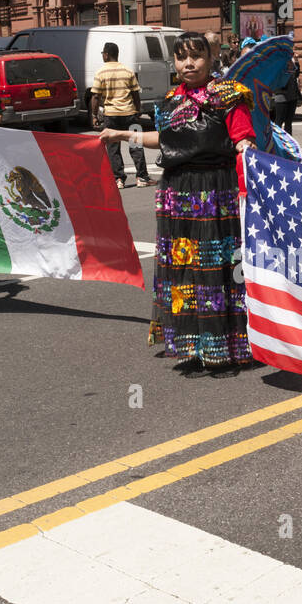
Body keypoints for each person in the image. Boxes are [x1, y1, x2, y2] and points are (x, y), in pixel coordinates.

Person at [98, 31, 256, 375]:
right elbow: (164, 140)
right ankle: (192, 344)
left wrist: (246, 149)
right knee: (184, 267)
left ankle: (225, 345)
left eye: (197, 56)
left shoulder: (229, 95)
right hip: (177, 193)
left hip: (215, 193)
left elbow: (242, 136)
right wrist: (121, 134)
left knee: (216, 269)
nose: (189, 63)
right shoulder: (169, 100)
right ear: (174, 61)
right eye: (182, 57)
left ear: (211, 58)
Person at [90, 41, 153, 189]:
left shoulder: (100, 72)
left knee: (113, 148)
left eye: (103, 54)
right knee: (136, 144)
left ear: (106, 55)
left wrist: (94, 115)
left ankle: (119, 179)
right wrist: (138, 111)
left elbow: (95, 97)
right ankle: (142, 178)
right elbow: (135, 94)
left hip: (110, 115)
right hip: (130, 112)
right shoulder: (127, 71)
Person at [271, 51, 302, 136]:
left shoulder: (290, 62)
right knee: (279, 122)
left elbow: (296, 74)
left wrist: (296, 61)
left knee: (289, 122)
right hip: (282, 97)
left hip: (292, 97)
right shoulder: (278, 64)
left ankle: (288, 142)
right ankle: (276, 143)